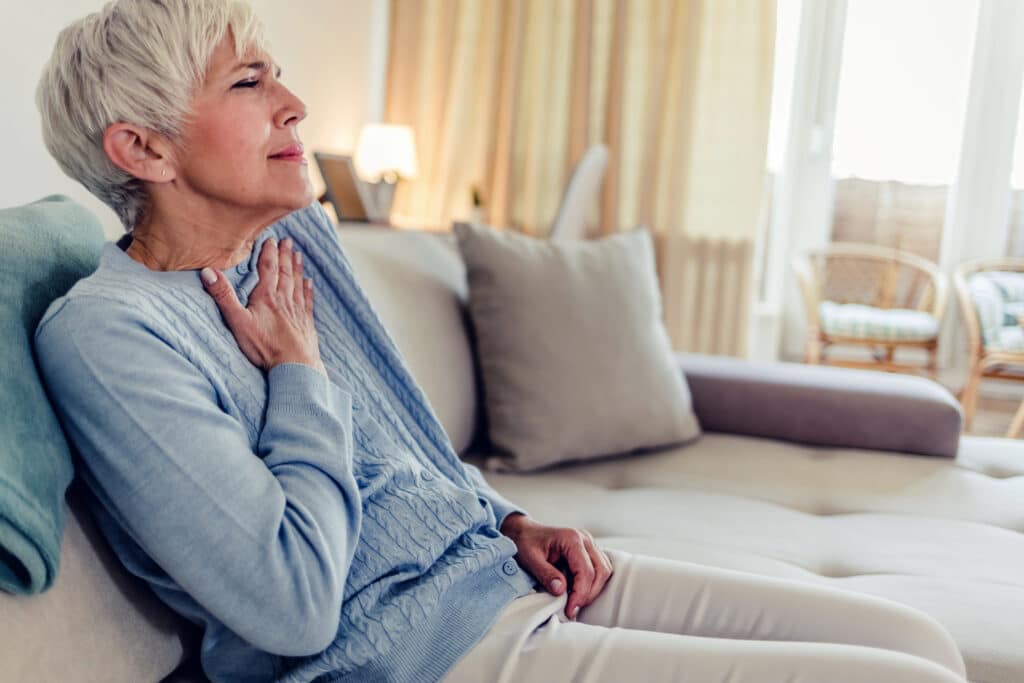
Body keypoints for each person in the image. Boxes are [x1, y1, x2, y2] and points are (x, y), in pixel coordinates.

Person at [33, 2, 968, 682]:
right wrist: (300, 377)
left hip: (503, 574)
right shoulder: (113, 335)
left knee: (921, 644)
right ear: (142, 150)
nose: (294, 103)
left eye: (276, 71)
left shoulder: (290, 242)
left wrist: (507, 520)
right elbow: (293, 604)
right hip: (413, 653)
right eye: (249, 80)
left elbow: (409, 450)